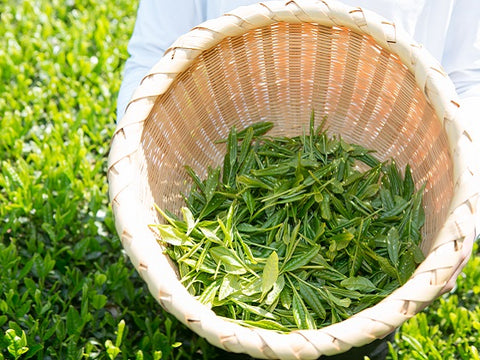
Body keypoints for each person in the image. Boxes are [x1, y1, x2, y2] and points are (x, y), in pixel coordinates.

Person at [116, 1, 480, 359]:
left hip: (393, 144)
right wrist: (134, 155)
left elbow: (469, 78)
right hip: (230, 119)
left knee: (359, 331)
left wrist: (468, 212)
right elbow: (153, 54)